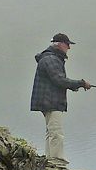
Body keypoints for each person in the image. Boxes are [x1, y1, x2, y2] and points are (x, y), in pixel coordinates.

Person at [29, 33, 90, 162]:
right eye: (68, 45)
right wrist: (80, 83)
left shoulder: (50, 58)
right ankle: (57, 160)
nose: (69, 48)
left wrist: (77, 85)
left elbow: (58, 80)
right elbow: (59, 80)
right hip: (50, 100)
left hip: (48, 100)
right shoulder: (51, 59)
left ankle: (50, 159)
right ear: (60, 44)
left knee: (51, 131)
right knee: (56, 132)